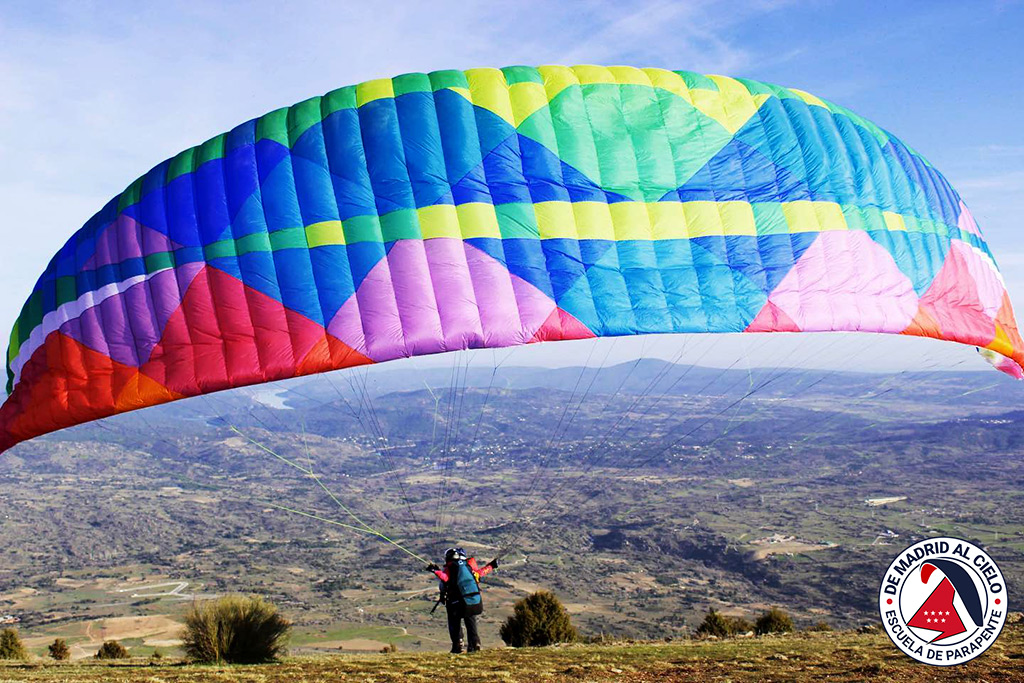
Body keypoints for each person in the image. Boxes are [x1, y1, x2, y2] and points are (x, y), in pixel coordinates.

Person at [426, 547, 498, 653]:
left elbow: (445, 578)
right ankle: (475, 644)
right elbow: (481, 572)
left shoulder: (451, 567)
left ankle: (458, 645)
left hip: (458, 604)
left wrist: (435, 571)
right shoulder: (468, 567)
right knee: (470, 621)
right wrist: (491, 565)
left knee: (454, 621)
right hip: (473, 602)